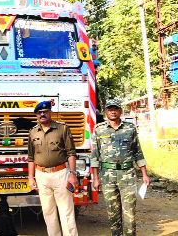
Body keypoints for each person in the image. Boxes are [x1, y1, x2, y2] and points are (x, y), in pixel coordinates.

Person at [91, 99, 151, 236]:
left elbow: (138, 152)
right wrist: (95, 178)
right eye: (110, 109)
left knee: (129, 213)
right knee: (113, 212)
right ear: (105, 112)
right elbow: (94, 155)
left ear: (120, 111)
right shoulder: (99, 130)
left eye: (116, 109)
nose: (113, 111)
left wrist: (145, 174)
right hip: (107, 175)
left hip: (127, 174)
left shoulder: (130, 129)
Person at [27, 101, 79, 236]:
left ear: (50, 112)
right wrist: (30, 178)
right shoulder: (33, 132)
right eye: (39, 113)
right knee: (48, 212)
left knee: (66, 211)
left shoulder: (62, 129)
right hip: (41, 175)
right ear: (37, 116)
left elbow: (71, 153)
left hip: (60, 173)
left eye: (45, 112)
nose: (42, 114)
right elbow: (31, 157)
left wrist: (72, 174)